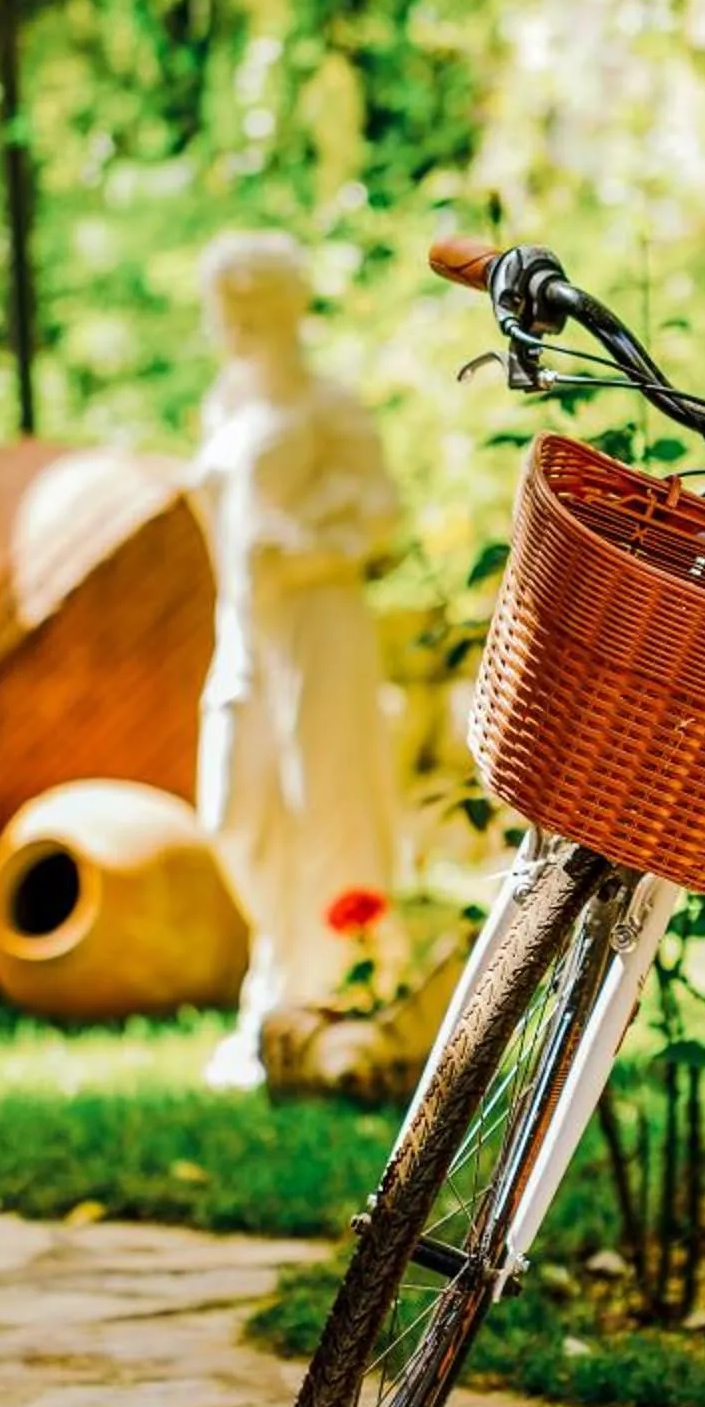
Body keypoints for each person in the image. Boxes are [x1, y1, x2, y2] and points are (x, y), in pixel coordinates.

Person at [189, 231, 401, 1090]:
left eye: (249, 305)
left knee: (330, 801)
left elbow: (382, 514)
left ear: (282, 309)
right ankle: (282, 973)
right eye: (224, 305)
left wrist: (309, 552)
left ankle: (337, 995)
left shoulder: (328, 407)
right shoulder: (224, 405)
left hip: (319, 620)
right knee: (234, 804)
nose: (234, 322)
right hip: (244, 627)